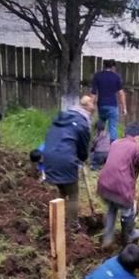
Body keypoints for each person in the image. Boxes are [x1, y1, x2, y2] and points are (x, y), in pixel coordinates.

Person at [97, 122, 139, 248]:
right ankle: (128, 236)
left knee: (112, 208)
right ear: (138, 136)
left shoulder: (115, 143)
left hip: (104, 186)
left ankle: (108, 237)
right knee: (129, 210)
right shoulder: (137, 147)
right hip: (121, 190)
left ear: (126, 133)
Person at [43, 95, 95, 231]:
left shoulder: (61, 117)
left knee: (61, 189)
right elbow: (83, 148)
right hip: (65, 158)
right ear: (88, 111)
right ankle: (72, 226)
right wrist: (82, 158)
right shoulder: (83, 123)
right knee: (73, 193)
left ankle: (56, 219)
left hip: (48, 155)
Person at [90, 59, 127, 143]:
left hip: (101, 105)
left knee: (101, 126)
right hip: (112, 106)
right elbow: (121, 93)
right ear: (113, 66)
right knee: (112, 128)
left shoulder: (97, 76)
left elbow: (93, 93)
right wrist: (124, 108)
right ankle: (112, 146)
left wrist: (90, 106)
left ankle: (98, 144)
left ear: (104, 65)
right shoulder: (116, 77)